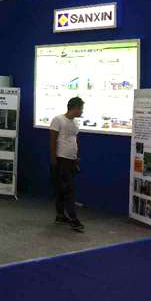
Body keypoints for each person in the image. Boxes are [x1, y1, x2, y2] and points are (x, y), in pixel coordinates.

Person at [50, 97, 85, 232]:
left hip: (71, 159)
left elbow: (76, 140)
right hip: (61, 159)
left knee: (63, 189)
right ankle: (74, 219)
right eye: (81, 108)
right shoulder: (58, 120)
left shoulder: (75, 122)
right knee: (69, 189)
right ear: (75, 108)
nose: (82, 111)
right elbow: (52, 140)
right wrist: (53, 158)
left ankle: (60, 216)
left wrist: (77, 156)